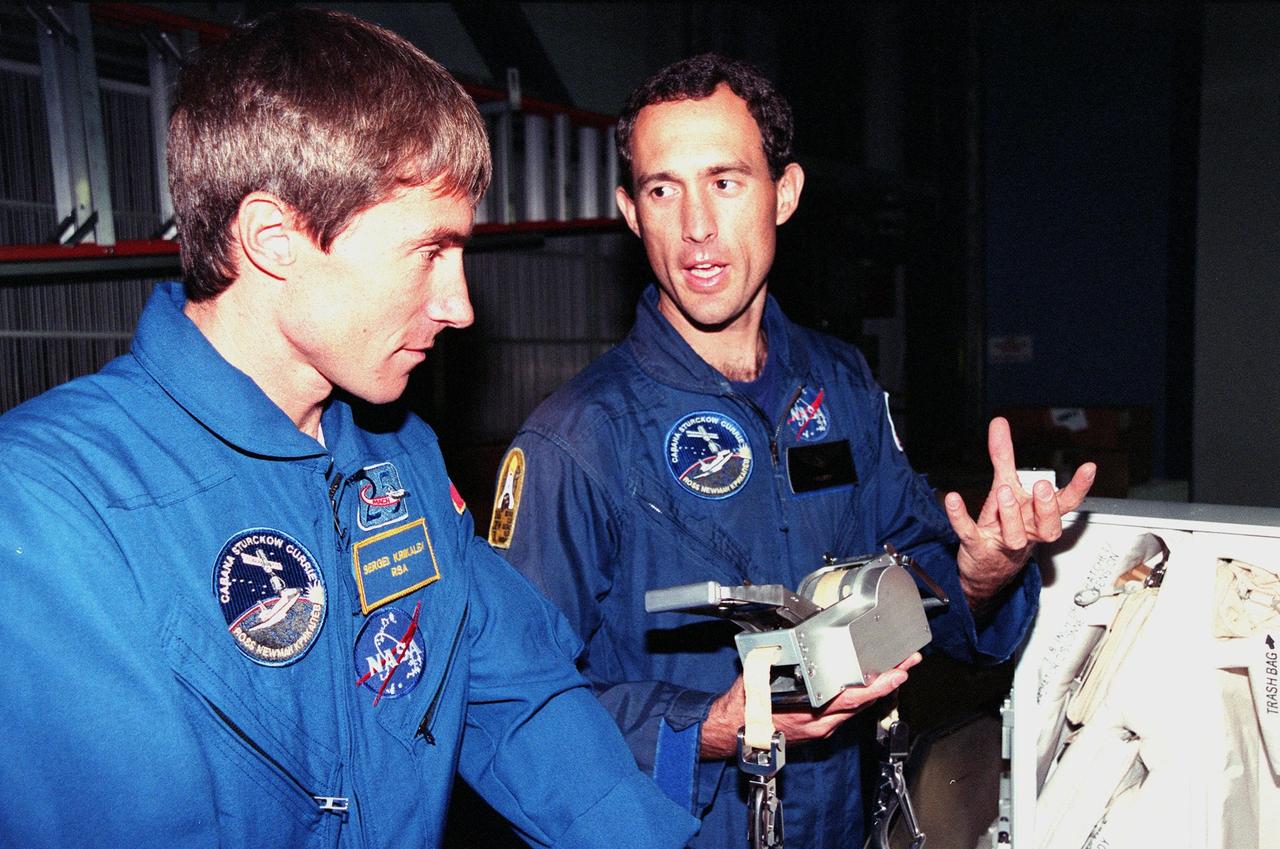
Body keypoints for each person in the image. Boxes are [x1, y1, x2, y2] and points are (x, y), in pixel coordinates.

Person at [0, 10, 699, 849]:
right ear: (274, 238)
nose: (460, 305)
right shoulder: (50, 508)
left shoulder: (394, 452)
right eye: (429, 251)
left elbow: (518, 695)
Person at [488, 53, 1096, 848]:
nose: (695, 226)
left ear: (786, 192)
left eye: (726, 182)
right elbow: (509, 707)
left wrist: (980, 577)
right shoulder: (578, 438)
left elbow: (911, 580)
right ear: (631, 213)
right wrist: (705, 727)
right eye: (662, 189)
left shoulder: (839, 384)